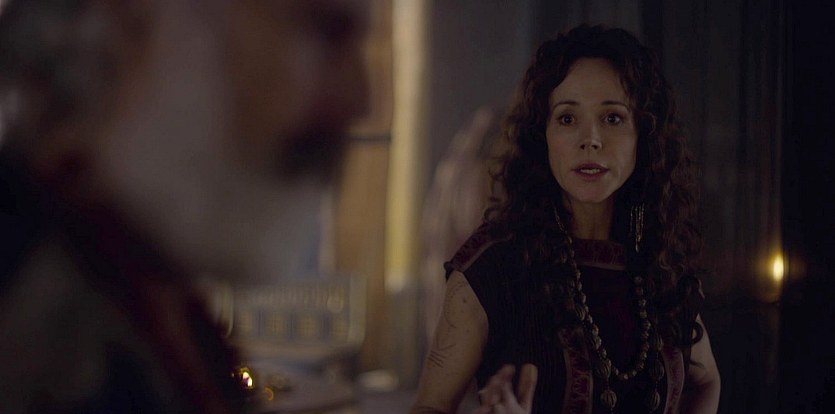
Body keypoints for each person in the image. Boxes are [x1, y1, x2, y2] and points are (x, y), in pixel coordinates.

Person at [0, 0, 368, 413]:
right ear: (126, 25)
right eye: (325, 32)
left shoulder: (142, 290)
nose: (360, 98)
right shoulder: (35, 319)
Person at [411, 25, 720, 414]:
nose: (590, 139)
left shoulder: (659, 258)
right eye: (568, 118)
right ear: (542, 135)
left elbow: (706, 380)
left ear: (643, 134)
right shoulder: (493, 268)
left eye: (612, 118)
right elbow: (430, 407)